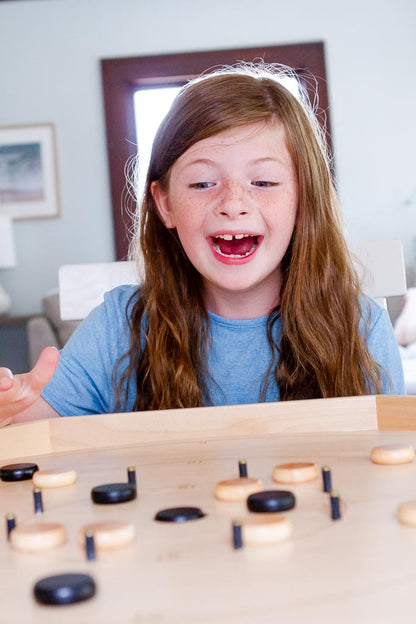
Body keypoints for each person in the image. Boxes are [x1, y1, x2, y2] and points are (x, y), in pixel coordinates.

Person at [0, 62, 405, 426]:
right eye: (202, 183)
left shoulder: (360, 327)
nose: (233, 204)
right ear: (165, 204)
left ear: (302, 201)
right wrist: (10, 415)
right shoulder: (120, 326)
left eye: (263, 182)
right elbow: (32, 431)